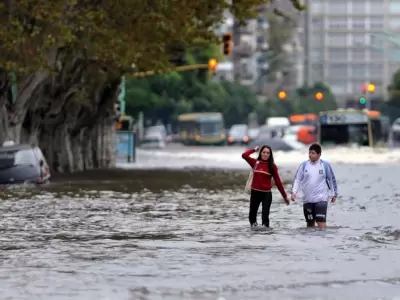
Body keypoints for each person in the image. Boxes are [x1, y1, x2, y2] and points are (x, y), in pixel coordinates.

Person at [291, 143, 338, 229]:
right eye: (309, 153)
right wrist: (294, 192)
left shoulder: (325, 165)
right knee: (310, 226)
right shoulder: (304, 165)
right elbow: (297, 179)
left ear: (319, 154)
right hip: (307, 200)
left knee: (321, 224)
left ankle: (325, 241)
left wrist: (334, 194)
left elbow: (332, 180)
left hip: (321, 199)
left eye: (313, 153)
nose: (310, 155)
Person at [242, 145, 289, 228]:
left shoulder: (272, 167)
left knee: (265, 218)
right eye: (264, 152)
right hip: (255, 193)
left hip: (266, 195)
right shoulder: (255, 163)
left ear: (270, 155)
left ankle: (265, 237)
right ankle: (254, 235)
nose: (265, 154)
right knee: (252, 217)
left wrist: (285, 197)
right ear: (261, 153)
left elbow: (278, 183)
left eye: (268, 153)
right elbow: (244, 155)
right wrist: (254, 150)